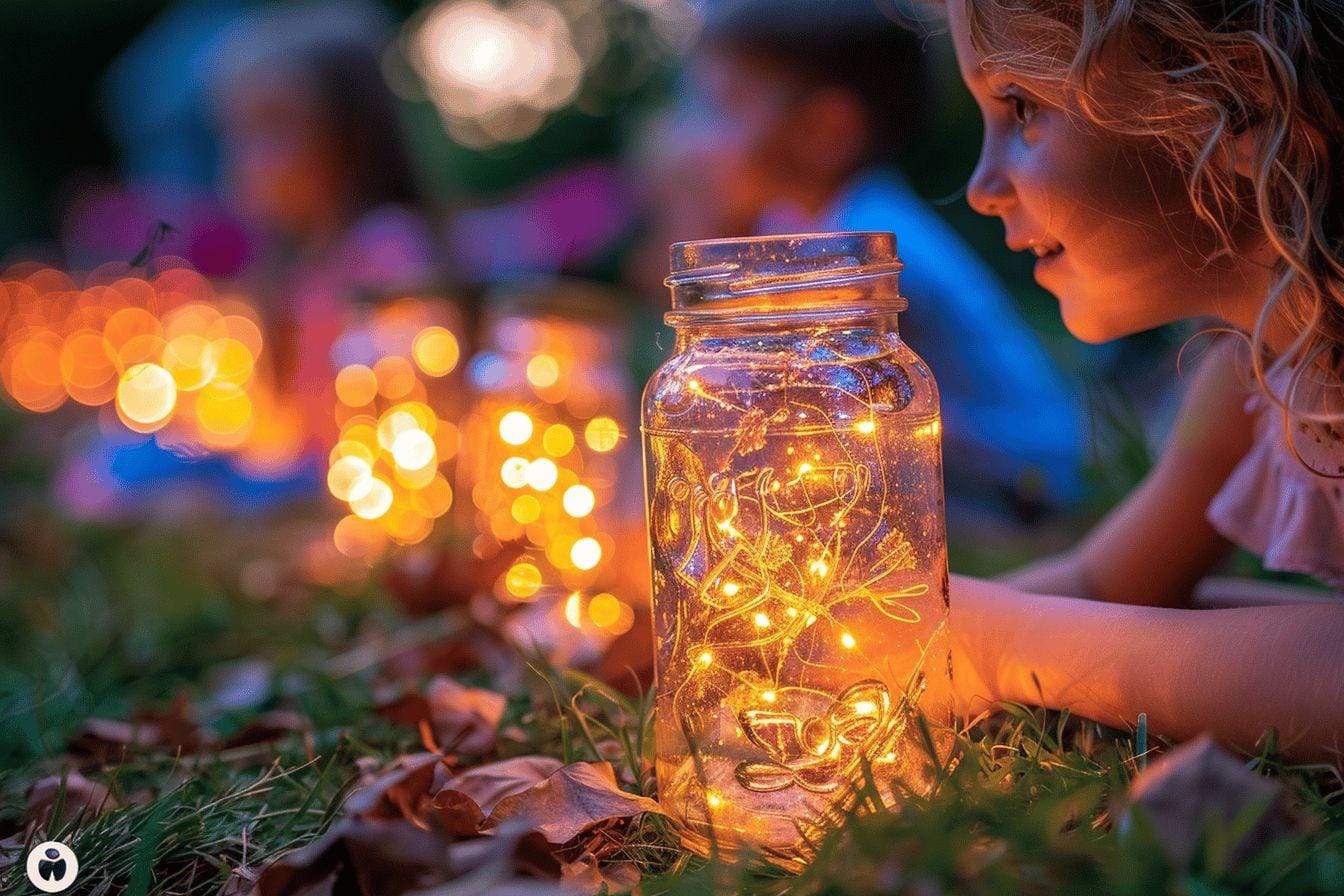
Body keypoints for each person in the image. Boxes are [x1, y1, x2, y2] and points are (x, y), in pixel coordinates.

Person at [943, 0, 1344, 762]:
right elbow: (1109, 587)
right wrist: (890, 641)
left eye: (1022, 105)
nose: (981, 185)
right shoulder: (1255, 375)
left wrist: (1001, 642)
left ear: (1234, 99)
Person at [633, 0, 1087, 513]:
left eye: (725, 106)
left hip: (1013, 500)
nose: (691, 141)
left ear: (828, 131)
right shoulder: (809, 225)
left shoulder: (863, 248)